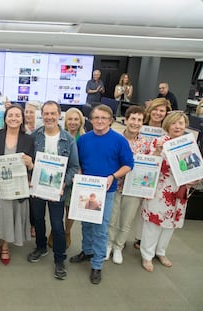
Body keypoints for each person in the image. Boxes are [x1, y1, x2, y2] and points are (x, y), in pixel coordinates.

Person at [70, 104, 133, 284]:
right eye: (96, 117)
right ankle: (87, 251)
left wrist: (113, 176)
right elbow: (78, 162)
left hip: (106, 191)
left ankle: (97, 264)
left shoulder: (119, 141)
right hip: (86, 188)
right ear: (90, 120)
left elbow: (128, 164)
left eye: (104, 118)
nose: (99, 121)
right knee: (86, 224)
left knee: (101, 228)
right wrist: (80, 172)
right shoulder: (83, 140)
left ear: (111, 121)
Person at [140, 112, 201, 272]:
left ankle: (161, 251)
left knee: (170, 224)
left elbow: (194, 167)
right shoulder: (158, 142)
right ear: (168, 125)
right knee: (153, 223)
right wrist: (157, 153)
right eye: (174, 123)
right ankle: (147, 255)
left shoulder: (189, 144)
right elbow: (147, 167)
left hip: (180, 191)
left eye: (181, 123)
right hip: (160, 190)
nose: (178, 126)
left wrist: (195, 179)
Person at [27, 101, 79, 280]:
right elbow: (28, 163)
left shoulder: (68, 139)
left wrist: (64, 183)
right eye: (46, 114)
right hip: (37, 189)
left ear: (59, 115)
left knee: (57, 225)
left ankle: (59, 258)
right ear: (42, 115)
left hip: (57, 190)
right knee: (39, 220)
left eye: (52, 114)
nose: (49, 117)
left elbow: (74, 166)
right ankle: (40, 247)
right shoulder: (34, 137)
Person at [0, 105, 34, 265]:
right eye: (10, 115)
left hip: (17, 187)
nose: (14, 118)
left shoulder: (29, 139)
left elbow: (33, 165)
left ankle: (5, 246)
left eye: (17, 115)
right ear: (5, 118)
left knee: (10, 217)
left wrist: (30, 163)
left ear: (22, 119)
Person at [107, 106, 150, 264]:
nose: (135, 123)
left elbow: (150, 167)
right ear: (126, 120)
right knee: (111, 219)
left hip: (134, 189)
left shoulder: (146, 145)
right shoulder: (116, 139)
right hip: (115, 186)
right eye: (133, 119)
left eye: (139, 120)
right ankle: (108, 244)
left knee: (126, 222)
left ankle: (119, 247)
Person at [133, 98, 171, 249]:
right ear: (150, 110)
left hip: (159, 175)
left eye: (162, 111)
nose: (158, 113)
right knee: (135, 206)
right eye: (155, 109)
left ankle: (142, 239)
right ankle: (133, 237)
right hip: (138, 169)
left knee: (149, 206)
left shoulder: (168, 131)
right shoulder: (140, 125)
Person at [48, 107, 85, 249]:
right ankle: (55, 230)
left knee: (71, 208)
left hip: (77, 178)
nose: (73, 122)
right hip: (58, 177)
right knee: (57, 208)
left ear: (81, 121)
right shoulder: (58, 135)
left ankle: (67, 231)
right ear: (65, 120)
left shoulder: (84, 138)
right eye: (70, 119)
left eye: (76, 119)